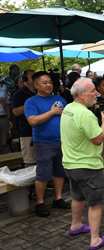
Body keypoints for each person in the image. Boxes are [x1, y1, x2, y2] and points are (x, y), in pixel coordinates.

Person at [61, 78, 104, 250]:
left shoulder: (68, 108)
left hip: (70, 163)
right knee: (94, 203)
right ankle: (95, 239)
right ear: (82, 95)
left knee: (78, 196)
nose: (97, 93)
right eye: (93, 91)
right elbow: (98, 139)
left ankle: (76, 225)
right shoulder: (86, 114)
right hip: (88, 165)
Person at [25, 71, 71, 217]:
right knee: (43, 173)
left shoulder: (59, 99)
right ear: (36, 85)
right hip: (43, 143)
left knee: (59, 171)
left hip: (61, 141)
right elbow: (32, 121)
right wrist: (52, 112)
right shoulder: (31, 102)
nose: (49, 85)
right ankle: (40, 203)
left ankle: (58, 198)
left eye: (50, 82)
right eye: (44, 83)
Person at [11, 70, 36, 165]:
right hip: (27, 131)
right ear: (25, 79)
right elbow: (16, 112)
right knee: (30, 161)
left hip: (42, 130)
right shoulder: (18, 94)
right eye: (33, 76)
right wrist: (32, 103)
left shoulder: (41, 92)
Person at [0, 80, 13, 155]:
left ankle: (4, 164)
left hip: (3, 117)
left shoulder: (2, 90)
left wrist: (9, 119)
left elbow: (6, 105)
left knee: (3, 142)